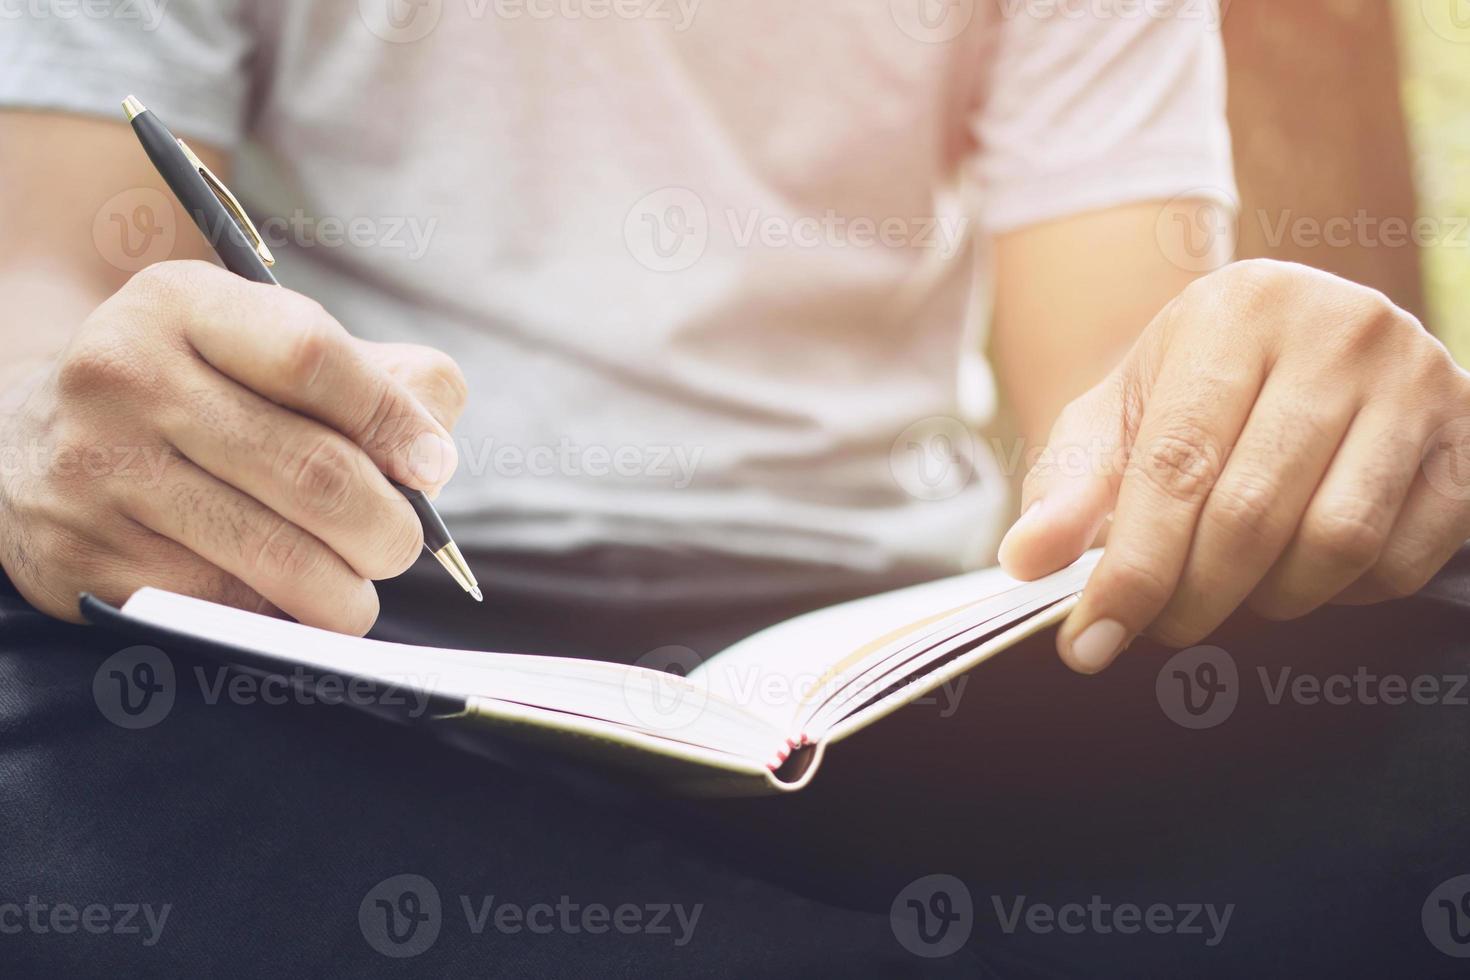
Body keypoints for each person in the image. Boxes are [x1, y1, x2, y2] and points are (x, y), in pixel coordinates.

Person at [1, 3, 1467, 976]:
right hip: (356, 599)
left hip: (898, 661)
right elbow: (50, 284)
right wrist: (56, 442)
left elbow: (1116, 373)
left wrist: (1262, 401)